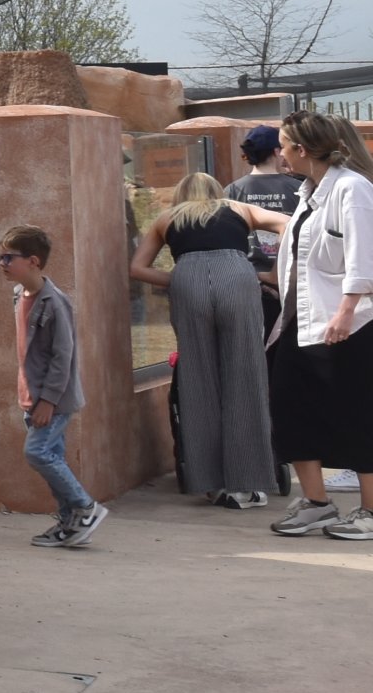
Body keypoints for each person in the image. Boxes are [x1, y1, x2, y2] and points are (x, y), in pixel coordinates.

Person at [259, 111, 373, 540]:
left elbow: (364, 257)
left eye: (284, 145)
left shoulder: (352, 189)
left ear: (302, 150)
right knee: (291, 410)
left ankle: (369, 510)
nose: (280, 153)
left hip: (350, 324)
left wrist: (345, 311)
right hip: (300, 322)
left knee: (358, 415)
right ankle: (317, 503)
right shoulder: (308, 193)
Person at [131, 172, 275, 506]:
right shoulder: (237, 208)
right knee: (244, 375)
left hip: (187, 279)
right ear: (216, 191)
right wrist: (274, 272)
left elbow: (137, 268)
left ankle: (211, 481)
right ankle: (248, 484)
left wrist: (181, 279)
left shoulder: (168, 217)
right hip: (238, 277)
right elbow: (289, 223)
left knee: (198, 379)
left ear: (181, 193)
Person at [0, 224, 105, 548]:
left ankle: (86, 507)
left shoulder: (55, 303)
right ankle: (69, 523)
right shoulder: (19, 295)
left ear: (33, 261)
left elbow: (64, 357)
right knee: (53, 456)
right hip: (32, 396)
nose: (1, 263)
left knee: (38, 452)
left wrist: (48, 400)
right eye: (0, 257)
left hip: (53, 400)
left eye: (8, 258)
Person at [226, 124, 304, 319]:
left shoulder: (232, 191)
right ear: (276, 151)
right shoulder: (299, 188)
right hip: (291, 280)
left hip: (247, 280)